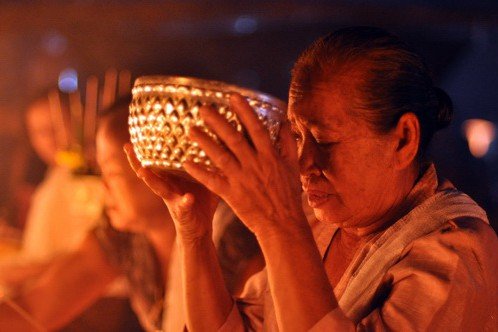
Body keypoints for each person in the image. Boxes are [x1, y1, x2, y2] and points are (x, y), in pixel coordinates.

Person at [128, 27, 498, 331]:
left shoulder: (456, 251)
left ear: (403, 139)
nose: (304, 164)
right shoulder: (316, 224)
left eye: (324, 140)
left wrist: (278, 225)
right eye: (298, 136)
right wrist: (194, 229)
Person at [0, 97, 262, 331]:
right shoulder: (123, 237)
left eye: (111, 173)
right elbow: (35, 311)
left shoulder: (237, 242)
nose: (103, 188)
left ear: (160, 169)